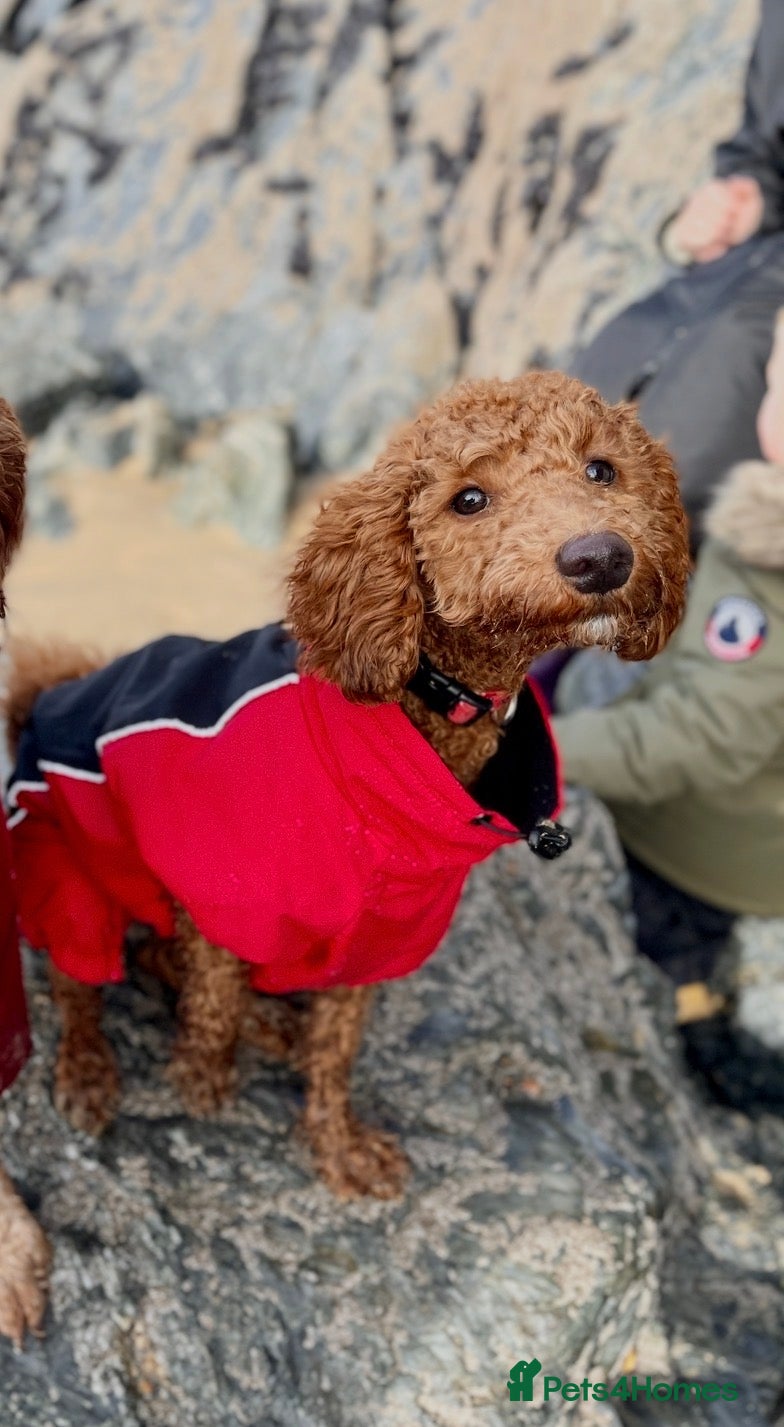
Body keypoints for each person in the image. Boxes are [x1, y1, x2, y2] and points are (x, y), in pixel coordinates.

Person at [551, 331, 784, 1104]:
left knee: (645, 932)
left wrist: (541, 746)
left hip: (703, 842)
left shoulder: (773, 559)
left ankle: (689, 1005)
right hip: (749, 808)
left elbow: (699, 739)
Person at [571, 0, 784, 544]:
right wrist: (743, 199)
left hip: (753, 364)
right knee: (555, 448)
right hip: (703, 296)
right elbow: (758, 146)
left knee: (657, 523)